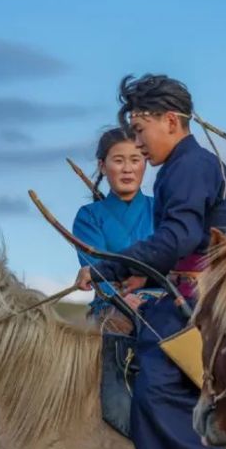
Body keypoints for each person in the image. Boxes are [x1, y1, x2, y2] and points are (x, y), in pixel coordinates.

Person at [74, 74, 226, 449]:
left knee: (155, 379)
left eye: (141, 129)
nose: (139, 143)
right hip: (189, 288)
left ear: (171, 121)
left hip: (206, 295)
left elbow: (179, 240)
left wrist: (109, 266)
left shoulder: (187, 167)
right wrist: (138, 276)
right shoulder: (183, 166)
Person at [71, 127, 154, 326]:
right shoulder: (88, 216)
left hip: (162, 299)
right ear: (102, 166)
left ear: (145, 163)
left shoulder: (163, 209)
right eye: (118, 161)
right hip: (111, 305)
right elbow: (94, 268)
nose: (127, 169)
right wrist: (119, 298)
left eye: (135, 160)